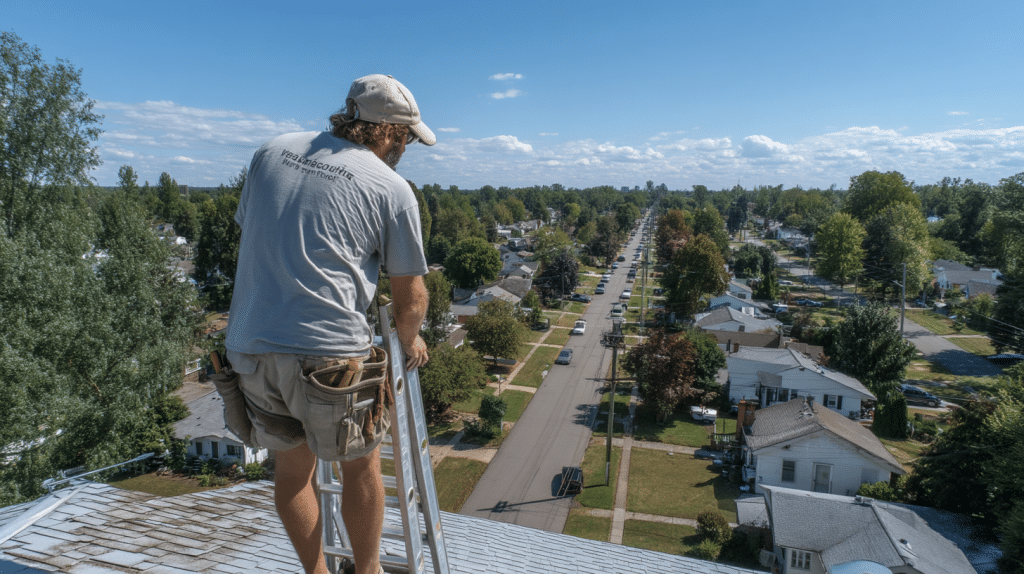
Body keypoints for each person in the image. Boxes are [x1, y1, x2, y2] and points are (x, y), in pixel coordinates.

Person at [224, 74, 434, 574]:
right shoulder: (392, 188)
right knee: (360, 468)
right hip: (329, 357)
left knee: (292, 471)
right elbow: (412, 297)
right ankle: (367, 572)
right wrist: (409, 341)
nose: (405, 147)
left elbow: (259, 233)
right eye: (405, 137)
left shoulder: (270, 151)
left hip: (251, 347)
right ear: (386, 131)